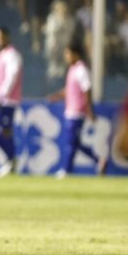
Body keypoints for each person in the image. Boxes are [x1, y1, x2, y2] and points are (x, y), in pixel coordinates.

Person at [46, 45, 106, 177]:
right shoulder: (72, 69)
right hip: (71, 110)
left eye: (68, 53)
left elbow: (87, 88)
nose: (66, 57)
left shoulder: (81, 70)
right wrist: (57, 96)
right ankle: (99, 160)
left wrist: (89, 109)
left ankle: (66, 170)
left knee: (71, 142)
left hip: (78, 111)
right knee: (74, 142)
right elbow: (69, 90)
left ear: (76, 54)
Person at [0, 27, 23, 178]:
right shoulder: (1, 55)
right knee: (6, 132)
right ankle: (11, 161)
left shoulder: (13, 55)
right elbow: (0, 82)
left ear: (7, 37)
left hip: (8, 101)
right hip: (2, 99)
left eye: (0, 36)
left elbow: (10, 79)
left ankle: (10, 160)